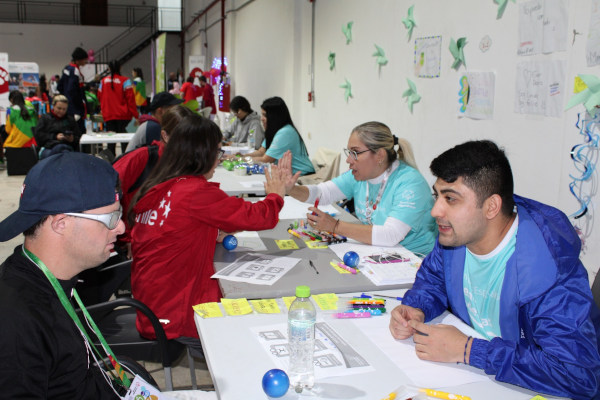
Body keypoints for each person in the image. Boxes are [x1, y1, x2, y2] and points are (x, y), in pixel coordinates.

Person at [389, 140, 600, 399]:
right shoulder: (457, 238)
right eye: (437, 196)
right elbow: (433, 281)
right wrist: (416, 307)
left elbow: (576, 374)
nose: (435, 210)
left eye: (450, 199)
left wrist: (470, 350)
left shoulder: (547, 268)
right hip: (479, 381)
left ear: (491, 206)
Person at [129, 114, 286, 351]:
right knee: (263, 325)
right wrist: (276, 195)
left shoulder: (160, 185)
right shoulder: (194, 192)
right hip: (175, 317)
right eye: (218, 151)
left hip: (152, 306)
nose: (219, 158)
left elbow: (178, 228)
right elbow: (259, 216)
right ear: (202, 154)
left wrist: (211, 231)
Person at [0, 152, 126, 398]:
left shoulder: (54, 278)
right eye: (111, 218)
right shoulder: (16, 325)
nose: (120, 228)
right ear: (61, 223)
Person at [282, 121, 437, 255]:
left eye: (355, 153)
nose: (349, 160)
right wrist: (291, 189)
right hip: (381, 252)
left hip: (414, 260)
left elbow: (391, 235)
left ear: (380, 155)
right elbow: (323, 193)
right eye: (349, 152)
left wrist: (335, 226)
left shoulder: (409, 183)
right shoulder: (359, 176)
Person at [114, 105, 195, 258]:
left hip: (165, 245)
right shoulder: (140, 159)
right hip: (132, 247)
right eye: (183, 138)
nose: (189, 145)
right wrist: (127, 238)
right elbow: (104, 197)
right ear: (165, 136)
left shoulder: (188, 166)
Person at [242, 96, 314, 176]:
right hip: (288, 175)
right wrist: (242, 156)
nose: (262, 119)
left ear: (275, 116)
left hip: (302, 176)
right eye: (262, 115)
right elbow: (261, 152)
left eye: (265, 115)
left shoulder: (285, 132)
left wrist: (241, 160)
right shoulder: (273, 130)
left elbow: (265, 159)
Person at [98, 60, 139, 155]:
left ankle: (110, 162)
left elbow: (99, 96)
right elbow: (131, 100)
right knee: (125, 143)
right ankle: (125, 161)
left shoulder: (103, 81)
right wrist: (135, 115)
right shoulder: (126, 81)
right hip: (124, 116)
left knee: (111, 143)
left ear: (109, 69)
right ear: (120, 68)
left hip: (108, 116)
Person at [34, 94, 81, 159]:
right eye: (59, 108)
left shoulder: (70, 120)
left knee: (62, 152)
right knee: (62, 154)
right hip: (49, 148)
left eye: (64, 109)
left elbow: (78, 136)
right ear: (53, 106)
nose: (61, 111)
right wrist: (54, 137)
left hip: (66, 147)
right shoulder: (45, 118)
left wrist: (72, 139)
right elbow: (38, 136)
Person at [57, 46, 88, 134]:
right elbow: (72, 90)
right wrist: (78, 106)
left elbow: (60, 87)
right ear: (78, 60)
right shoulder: (75, 71)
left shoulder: (66, 68)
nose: (86, 61)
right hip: (75, 108)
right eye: (84, 59)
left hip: (68, 105)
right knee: (78, 132)